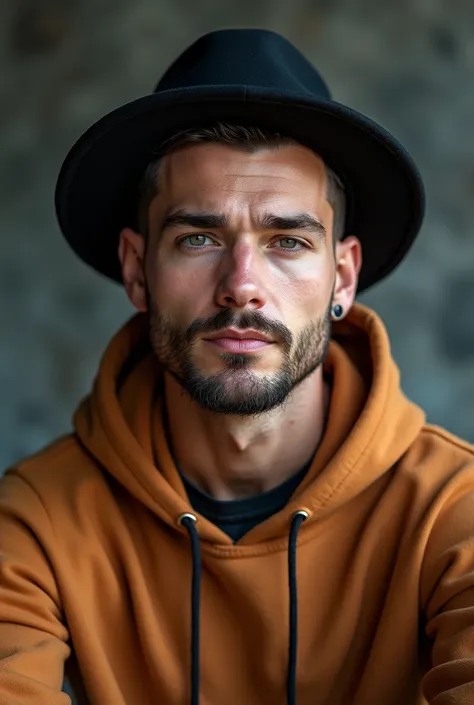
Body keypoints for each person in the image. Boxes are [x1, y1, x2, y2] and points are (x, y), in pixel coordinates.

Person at [0, 27, 473, 705]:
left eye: (286, 240)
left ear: (342, 278)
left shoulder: (453, 509)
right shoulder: (38, 518)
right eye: (199, 238)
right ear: (138, 271)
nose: (242, 284)